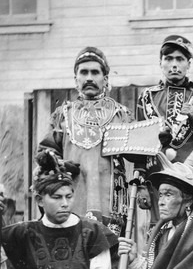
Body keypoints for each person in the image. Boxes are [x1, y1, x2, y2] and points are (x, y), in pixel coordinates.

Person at [38, 47, 132, 234]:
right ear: (76, 79)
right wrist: (59, 164)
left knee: (109, 256)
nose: (89, 78)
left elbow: (138, 157)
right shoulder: (63, 115)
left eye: (95, 72)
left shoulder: (121, 115)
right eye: (84, 72)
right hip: (72, 199)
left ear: (105, 79)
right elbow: (45, 153)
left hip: (110, 202)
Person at [137, 34, 193, 170]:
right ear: (160, 63)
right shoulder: (147, 96)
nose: (174, 65)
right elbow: (139, 143)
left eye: (180, 59)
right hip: (156, 173)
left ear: (188, 64)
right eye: (168, 59)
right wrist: (141, 182)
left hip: (192, 174)